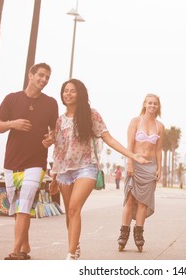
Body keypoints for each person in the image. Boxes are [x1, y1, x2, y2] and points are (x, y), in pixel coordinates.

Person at [49, 79, 150, 260]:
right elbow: (58, 150)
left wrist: (132, 155)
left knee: (74, 207)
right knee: (70, 212)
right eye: (65, 91)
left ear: (80, 93)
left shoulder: (91, 115)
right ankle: (75, 245)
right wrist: (54, 175)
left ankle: (71, 255)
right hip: (64, 171)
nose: (68, 94)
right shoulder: (59, 120)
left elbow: (108, 138)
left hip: (86, 168)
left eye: (72, 91)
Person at [0, 63, 58, 260]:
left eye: (47, 77)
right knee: (17, 207)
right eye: (41, 75)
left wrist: (51, 138)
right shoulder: (12, 99)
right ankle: (25, 246)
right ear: (30, 75)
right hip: (12, 162)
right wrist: (13, 123)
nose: (44, 80)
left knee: (25, 202)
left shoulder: (51, 103)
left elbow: (54, 131)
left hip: (36, 161)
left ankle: (15, 250)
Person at [117, 93, 164, 252]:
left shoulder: (160, 126)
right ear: (144, 104)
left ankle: (139, 233)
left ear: (158, 106)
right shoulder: (135, 121)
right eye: (149, 103)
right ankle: (124, 232)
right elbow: (129, 144)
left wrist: (159, 168)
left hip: (150, 166)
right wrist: (129, 162)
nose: (152, 106)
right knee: (130, 199)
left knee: (144, 202)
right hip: (135, 163)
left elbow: (158, 150)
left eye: (155, 104)